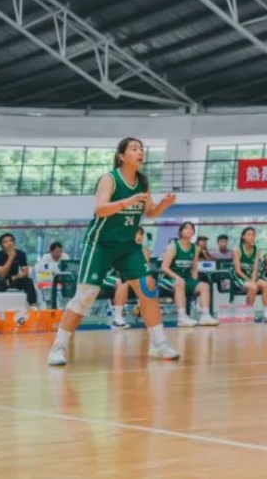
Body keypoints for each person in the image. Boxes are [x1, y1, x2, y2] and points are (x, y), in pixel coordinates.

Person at [47, 137, 180, 366]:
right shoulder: (110, 179)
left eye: (142, 149)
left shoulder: (143, 181)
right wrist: (127, 201)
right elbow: (100, 209)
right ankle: (58, 347)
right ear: (122, 156)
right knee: (85, 295)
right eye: (134, 149)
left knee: (148, 289)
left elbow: (149, 213)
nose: (140, 152)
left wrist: (163, 205)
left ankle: (159, 344)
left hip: (128, 247)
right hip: (101, 245)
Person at [160, 221, 219, 327]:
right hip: (167, 278)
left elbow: (194, 268)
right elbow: (164, 268)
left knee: (204, 286)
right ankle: (182, 317)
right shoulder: (173, 247)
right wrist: (177, 278)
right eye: (186, 228)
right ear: (180, 232)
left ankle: (205, 316)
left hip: (185, 279)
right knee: (180, 283)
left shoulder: (195, 248)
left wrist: (194, 283)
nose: (189, 230)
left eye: (192, 229)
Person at [109, 229, 150, 330]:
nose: (139, 236)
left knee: (147, 282)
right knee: (123, 281)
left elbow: (145, 270)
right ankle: (117, 318)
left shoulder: (144, 251)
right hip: (112, 276)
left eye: (141, 234)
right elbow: (120, 271)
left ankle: (148, 315)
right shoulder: (122, 249)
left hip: (133, 277)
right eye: (136, 233)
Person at [232, 226, 267, 323]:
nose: (252, 237)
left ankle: (266, 313)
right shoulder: (237, 249)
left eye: (253, 235)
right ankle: (248, 314)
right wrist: (249, 280)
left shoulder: (257, 250)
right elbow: (237, 270)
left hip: (252, 277)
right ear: (243, 237)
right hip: (239, 277)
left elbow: (255, 268)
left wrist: (253, 279)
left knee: (265, 285)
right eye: (249, 235)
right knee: (253, 287)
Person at [0, 233, 38, 310]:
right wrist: (11, 257)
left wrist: (14, 278)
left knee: (28, 281)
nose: (9, 243)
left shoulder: (21, 254)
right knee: (1, 282)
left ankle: (33, 305)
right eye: (5, 242)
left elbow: (25, 273)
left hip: (13, 279)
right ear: (1, 245)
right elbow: (1, 274)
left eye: (11, 241)